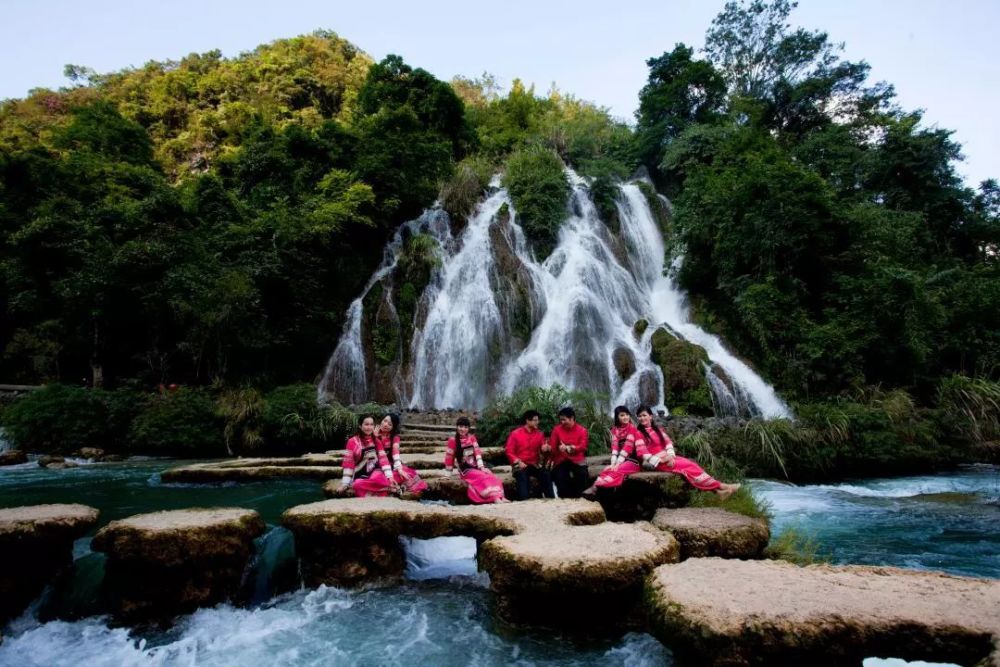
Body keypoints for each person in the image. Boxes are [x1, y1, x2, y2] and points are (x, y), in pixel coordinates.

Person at [634, 405, 741, 499]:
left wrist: (670, 456)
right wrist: (662, 460)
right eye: (640, 416)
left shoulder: (657, 429)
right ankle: (723, 486)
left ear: (651, 416)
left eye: (644, 415)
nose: (642, 418)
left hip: (668, 458)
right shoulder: (638, 433)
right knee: (689, 468)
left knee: (691, 464)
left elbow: (668, 443)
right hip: (657, 463)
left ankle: (718, 492)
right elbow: (643, 454)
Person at [444, 417, 508, 503]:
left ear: (468, 429)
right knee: (483, 477)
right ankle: (495, 498)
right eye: (461, 426)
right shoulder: (452, 441)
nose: (463, 429)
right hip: (465, 470)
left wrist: (481, 467)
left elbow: (477, 452)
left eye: (466, 427)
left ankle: (501, 496)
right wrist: (448, 475)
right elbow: (449, 458)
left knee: (491, 475)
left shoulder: (472, 438)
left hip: (476, 466)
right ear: (457, 427)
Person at [582, 406, 643, 496]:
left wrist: (617, 464)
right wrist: (613, 463)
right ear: (617, 417)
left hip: (634, 462)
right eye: (622, 415)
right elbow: (614, 449)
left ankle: (595, 487)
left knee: (616, 470)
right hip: (622, 461)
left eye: (627, 414)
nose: (625, 417)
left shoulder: (632, 429)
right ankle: (599, 489)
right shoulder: (615, 430)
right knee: (607, 469)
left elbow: (627, 448)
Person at [340, 414, 397, 497]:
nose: (369, 427)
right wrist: (345, 483)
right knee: (357, 484)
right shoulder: (352, 441)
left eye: (371, 425)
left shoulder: (377, 441)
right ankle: (388, 488)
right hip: (360, 474)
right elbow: (349, 464)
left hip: (375, 472)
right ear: (360, 426)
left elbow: (384, 460)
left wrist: (390, 477)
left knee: (379, 477)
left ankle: (386, 484)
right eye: (366, 424)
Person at [505, 410, 554, 500]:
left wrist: (545, 449)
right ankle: (524, 502)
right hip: (519, 464)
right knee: (522, 476)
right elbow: (509, 451)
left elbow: (543, 450)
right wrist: (518, 462)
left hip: (533, 464)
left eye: (538, 420)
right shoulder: (515, 434)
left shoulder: (539, 434)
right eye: (535, 420)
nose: (537, 422)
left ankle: (551, 500)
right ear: (527, 421)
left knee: (545, 474)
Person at [377, 412, 428, 497]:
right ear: (381, 420)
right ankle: (394, 488)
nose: (386, 425)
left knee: (406, 473)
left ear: (393, 427)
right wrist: (374, 437)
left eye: (390, 424)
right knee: (378, 477)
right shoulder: (371, 433)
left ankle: (397, 487)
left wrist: (399, 469)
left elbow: (395, 453)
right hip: (376, 465)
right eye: (385, 421)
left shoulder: (395, 438)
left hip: (391, 464)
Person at [549, 407, 589, 498]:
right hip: (561, 459)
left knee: (582, 475)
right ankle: (565, 500)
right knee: (560, 476)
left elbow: (583, 447)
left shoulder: (582, 430)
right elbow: (553, 447)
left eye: (564, 420)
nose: (562, 422)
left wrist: (570, 448)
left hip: (577, 459)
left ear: (572, 418)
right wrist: (548, 451)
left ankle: (581, 498)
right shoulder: (557, 429)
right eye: (561, 420)